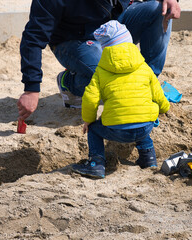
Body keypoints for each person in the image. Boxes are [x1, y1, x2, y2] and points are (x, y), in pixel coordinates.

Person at [17, 0, 180, 120]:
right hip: (74, 40)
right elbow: (32, 39)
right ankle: (70, 83)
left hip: (114, 24)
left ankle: (148, 84)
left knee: (160, 9)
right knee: (107, 70)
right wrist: (31, 89)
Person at [71, 20, 170, 179]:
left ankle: (96, 164)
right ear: (130, 42)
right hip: (146, 126)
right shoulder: (143, 66)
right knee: (142, 119)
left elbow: (90, 98)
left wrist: (88, 120)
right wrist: (165, 108)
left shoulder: (101, 71)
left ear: (104, 49)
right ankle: (149, 158)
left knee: (95, 130)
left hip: (117, 130)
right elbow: (157, 92)